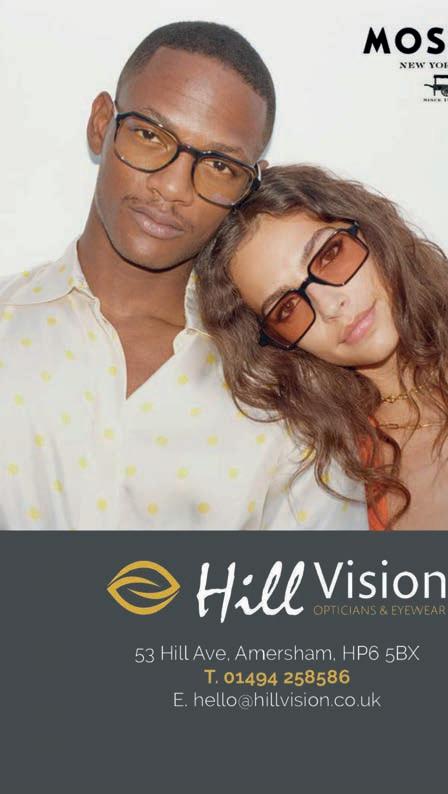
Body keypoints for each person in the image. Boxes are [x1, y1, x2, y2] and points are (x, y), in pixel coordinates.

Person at [0, 24, 367, 530]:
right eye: (150, 135)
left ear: (249, 185)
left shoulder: (290, 401)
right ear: (101, 124)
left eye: (219, 165)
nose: (173, 188)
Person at [194, 164, 448, 530]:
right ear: (278, 345)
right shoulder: (333, 488)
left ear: (371, 232)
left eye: (328, 255)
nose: (329, 305)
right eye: (287, 308)